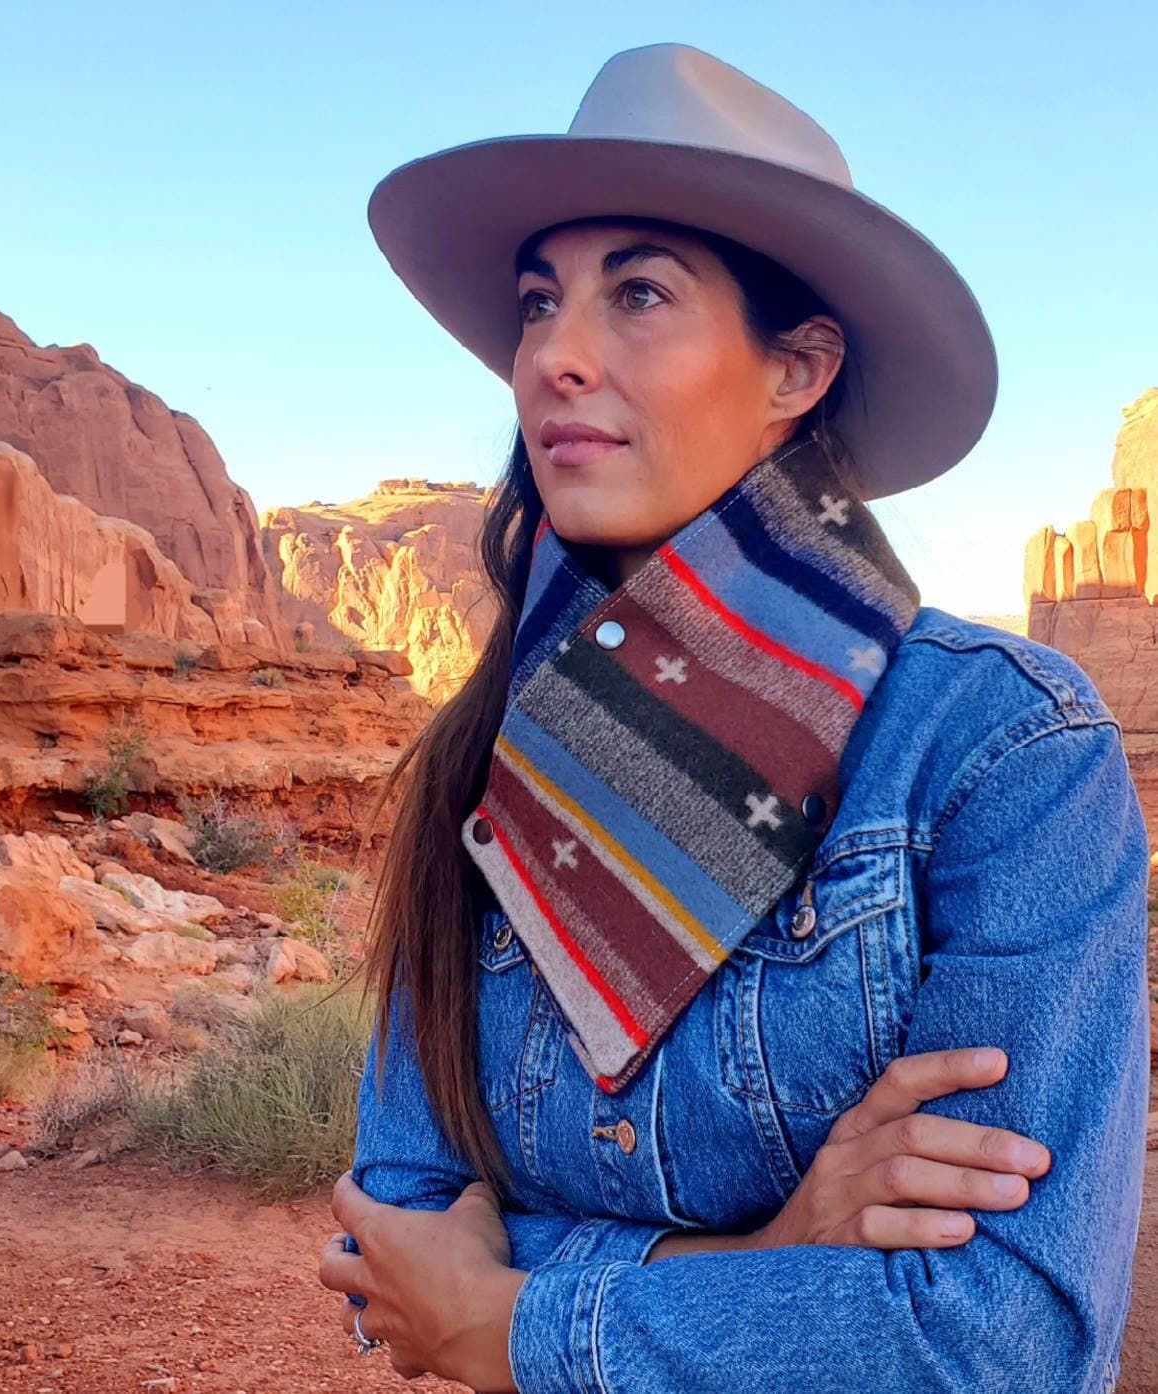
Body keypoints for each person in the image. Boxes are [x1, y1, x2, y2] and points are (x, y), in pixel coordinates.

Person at [316, 43, 1150, 1394]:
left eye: (636, 292)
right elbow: (391, 1253)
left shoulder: (998, 749)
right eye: (539, 302)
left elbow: (1002, 1334)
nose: (553, 358)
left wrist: (511, 1318)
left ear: (797, 369)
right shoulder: (487, 760)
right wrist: (774, 1247)